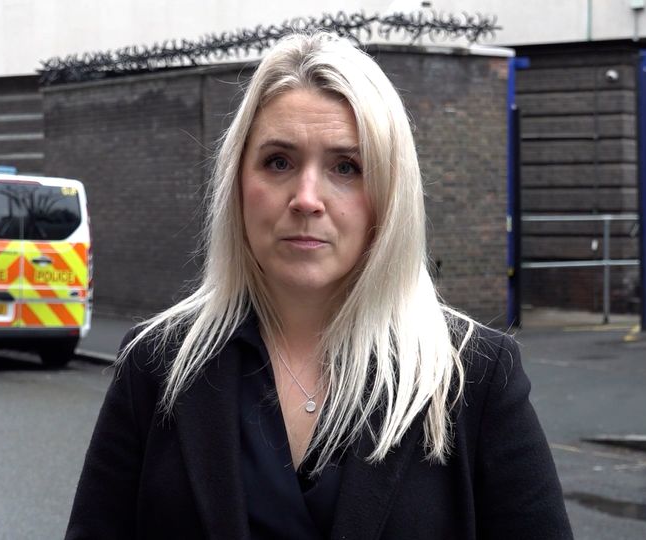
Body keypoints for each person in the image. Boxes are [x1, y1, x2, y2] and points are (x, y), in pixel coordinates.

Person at [65, 32, 573, 539]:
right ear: (238, 181)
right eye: (279, 162)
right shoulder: (156, 365)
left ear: (389, 193)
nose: (307, 198)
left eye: (346, 167)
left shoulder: (473, 377)